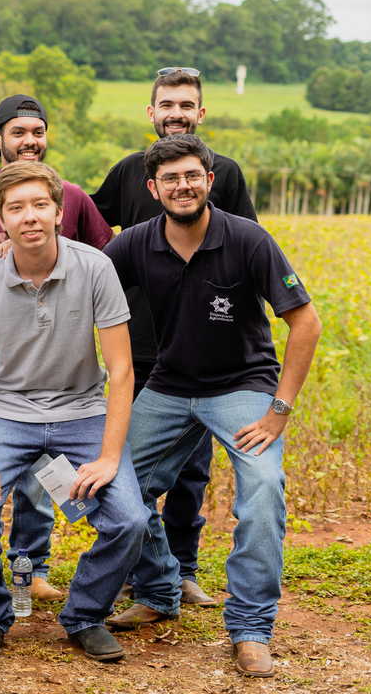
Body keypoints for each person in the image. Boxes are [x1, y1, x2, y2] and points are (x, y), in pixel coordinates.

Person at [102, 134, 321, 678]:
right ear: (153, 188)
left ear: (209, 180)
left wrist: (279, 410)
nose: (183, 186)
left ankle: (250, 628)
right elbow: (81, 283)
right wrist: (20, 252)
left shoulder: (248, 239)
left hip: (242, 386)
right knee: (111, 486)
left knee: (264, 491)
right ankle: (159, 589)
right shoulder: (134, 244)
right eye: (170, 179)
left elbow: (305, 322)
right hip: (169, 385)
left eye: (192, 176)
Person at [0, 160, 143, 662]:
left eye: (40, 205)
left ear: (59, 212)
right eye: (16, 208)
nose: (29, 216)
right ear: (1, 219)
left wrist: (109, 457)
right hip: (7, 410)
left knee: (129, 521)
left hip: (82, 411)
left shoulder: (94, 267)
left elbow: (121, 370)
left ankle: (85, 615)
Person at [91, 67, 258, 607]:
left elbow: (248, 249)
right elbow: (86, 226)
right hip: (136, 345)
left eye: (186, 105)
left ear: (200, 113)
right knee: (129, 467)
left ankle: (182, 569)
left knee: (190, 472)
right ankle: (142, 573)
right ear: (152, 112)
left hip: (202, 350)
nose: (176, 113)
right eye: (167, 104)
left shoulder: (224, 173)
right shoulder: (128, 172)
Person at [0, 95, 115, 609]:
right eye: (18, 132)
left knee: (42, 473)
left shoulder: (71, 196)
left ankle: (31, 567)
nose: (29, 141)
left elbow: (106, 256)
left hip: (49, 362)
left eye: (37, 131)